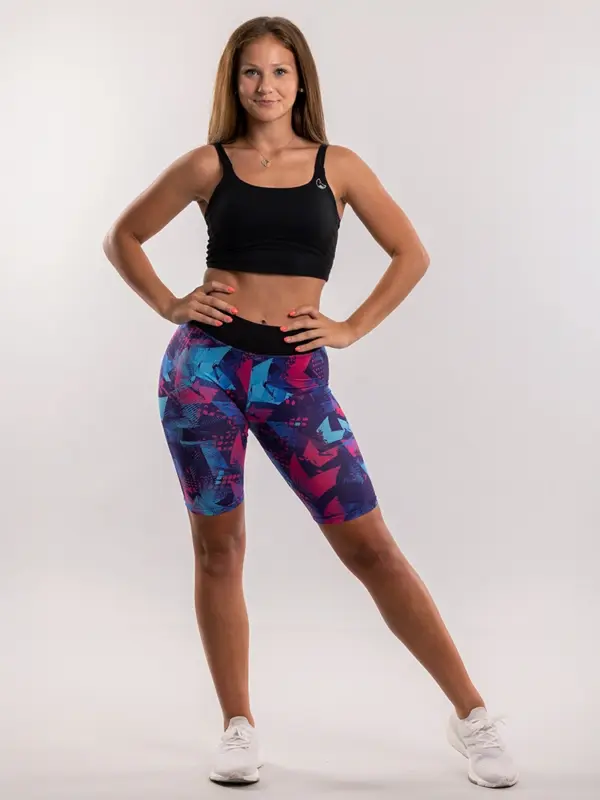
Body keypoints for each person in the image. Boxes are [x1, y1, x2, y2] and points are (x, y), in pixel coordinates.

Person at [102, 15, 519, 790]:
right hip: (203, 374)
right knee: (219, 550)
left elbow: (411, 253)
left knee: (372, 548)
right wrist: (170, 303)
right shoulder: (207, 164)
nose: (265, 86)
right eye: (251, 72)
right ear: (234, 83)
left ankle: (472, 717)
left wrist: (351, 325)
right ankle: (237, 726)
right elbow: (122, 236)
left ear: (301, 82)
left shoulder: (339, 167)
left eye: (279, 72)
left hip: (295, 381)